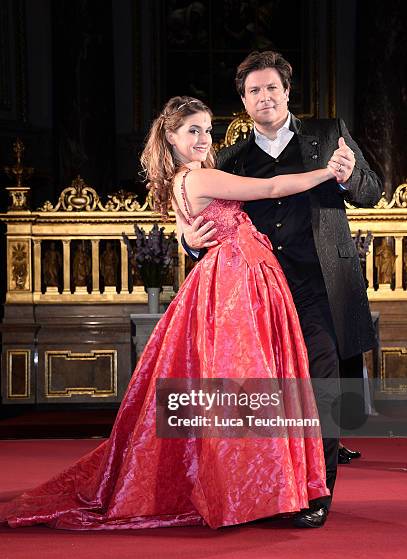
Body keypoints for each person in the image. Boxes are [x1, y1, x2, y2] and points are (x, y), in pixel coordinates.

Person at [0, 96, 341, 532]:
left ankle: (259, 487)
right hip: (238, 280)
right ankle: (253, 490)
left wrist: (192, 239)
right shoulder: (199, 178)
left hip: (234, 275)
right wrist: (328, 171)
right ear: (172, 137)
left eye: (206, 130)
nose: (203, 139)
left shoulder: (177, 182)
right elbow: (272, 189)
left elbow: (194, 229)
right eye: (193, 131)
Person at [181, 51, 382, 527]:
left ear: (287, 92)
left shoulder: (329, 134)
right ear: (244, 102)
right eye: (254, 91)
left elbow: (373, 188)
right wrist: (188, 243)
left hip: (321, 287)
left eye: (272, 87)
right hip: (256, 295)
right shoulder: (231, 159)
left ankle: (318, 495)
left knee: (321, 387)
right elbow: (207, 218)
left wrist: (351, 174)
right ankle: (271, 490)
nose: (264, 97)